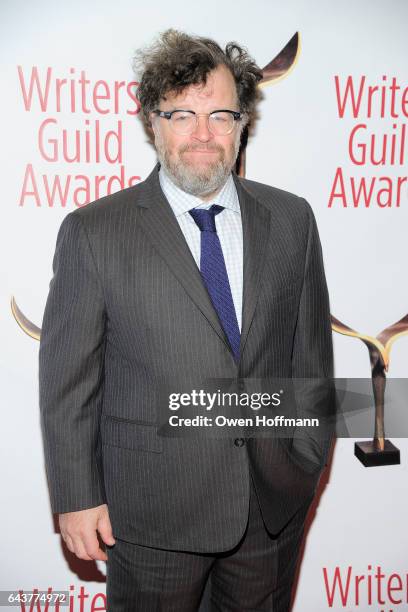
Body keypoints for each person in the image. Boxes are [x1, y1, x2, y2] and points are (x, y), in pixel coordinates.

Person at [39, 29, 335, 612]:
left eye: (221, 115)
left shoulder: (292, 219)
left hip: (269, 511)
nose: (203, 134)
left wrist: (305, 463)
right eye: (182, 114)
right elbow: (69, 381)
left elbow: (310, 360)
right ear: (154, 122)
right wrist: (76, 497)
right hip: (149, 515)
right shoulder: (95, 231)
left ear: (242, 123)